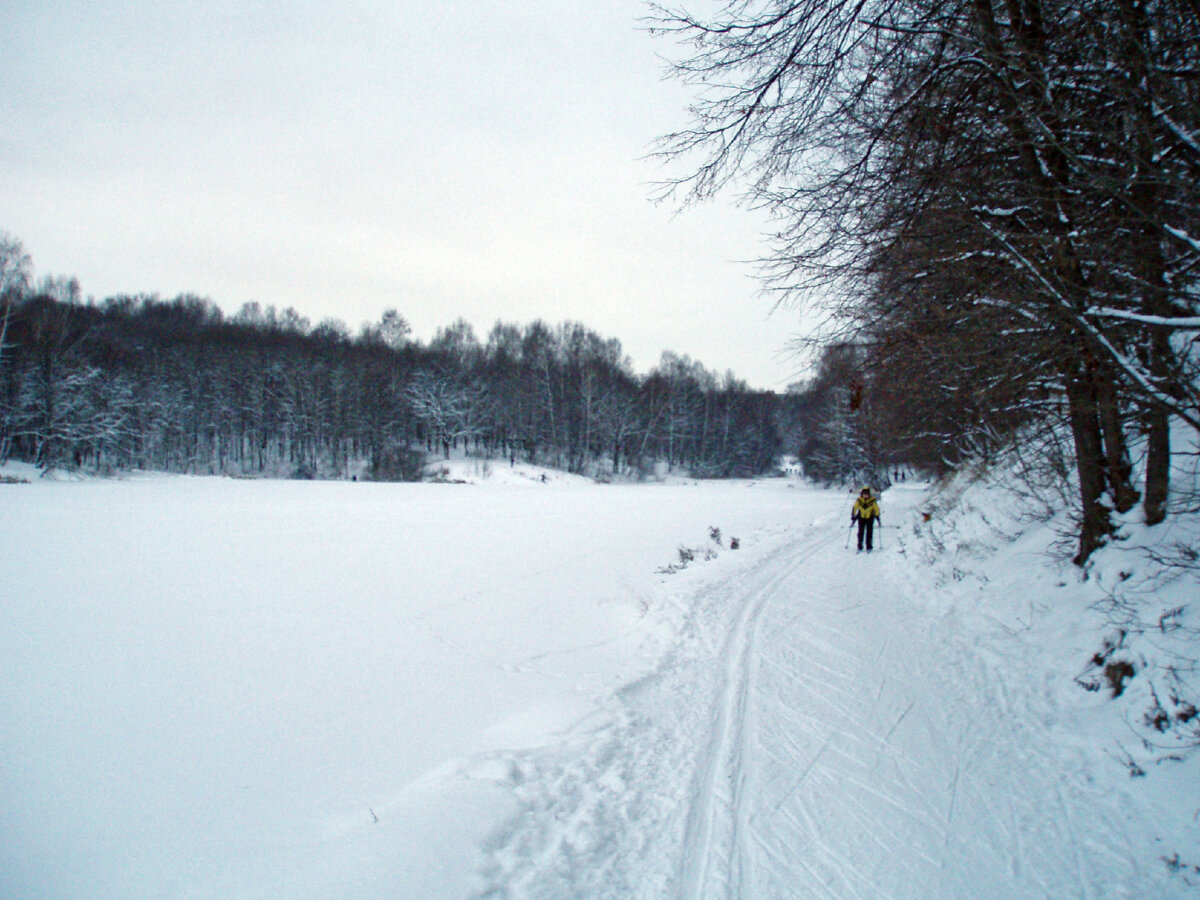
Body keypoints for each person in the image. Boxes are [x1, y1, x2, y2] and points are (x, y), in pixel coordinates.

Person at [851, 486, 881, 552]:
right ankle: (859, 546)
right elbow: (855, 508)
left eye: (867, 494)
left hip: (870, 518)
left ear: (869, 494)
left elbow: (876, 509)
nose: (865, 495)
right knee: (860, 533)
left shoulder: (872, 500)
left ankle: (869, 546)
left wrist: (877, 516)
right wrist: (853, 515)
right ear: (862, 494)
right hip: (861, 518)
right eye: (864, 494)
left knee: (869, 533)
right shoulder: (859, 500)